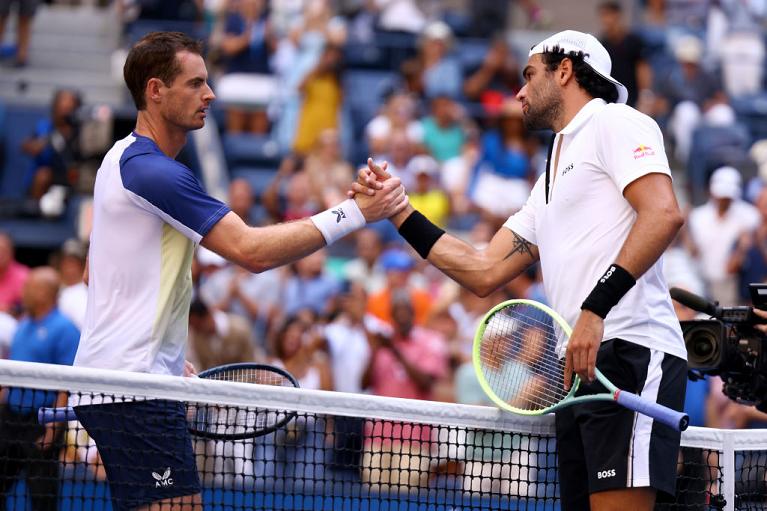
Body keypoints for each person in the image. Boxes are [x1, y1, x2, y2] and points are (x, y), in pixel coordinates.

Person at [70, 31, 407, 511]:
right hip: (132, 389)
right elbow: (251, 251)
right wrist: (354, 213)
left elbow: (95, 273)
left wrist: (163, 352)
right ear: (155, 91)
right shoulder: (153, 172)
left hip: (131, 381)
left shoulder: (117, 162)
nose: (210, 94)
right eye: (196, 83)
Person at [354, 30, 688, 511]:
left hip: (630, 350)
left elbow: (663, 214)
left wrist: (594, 309)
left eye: (530, 75)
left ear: (566, 71)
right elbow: (483, 269)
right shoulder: (551, 171)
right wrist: (399, 211)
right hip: (579, 369)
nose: (519, 92)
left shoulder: (615, 121)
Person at [0, 267, 80, 511]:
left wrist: (52, 429)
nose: (22, 291)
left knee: (42, 497)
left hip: (41, 421)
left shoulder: (65, 329)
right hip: (10, 420)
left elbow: (66, 384)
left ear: (44, 293)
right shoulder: (23, 325)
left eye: (29, 287)